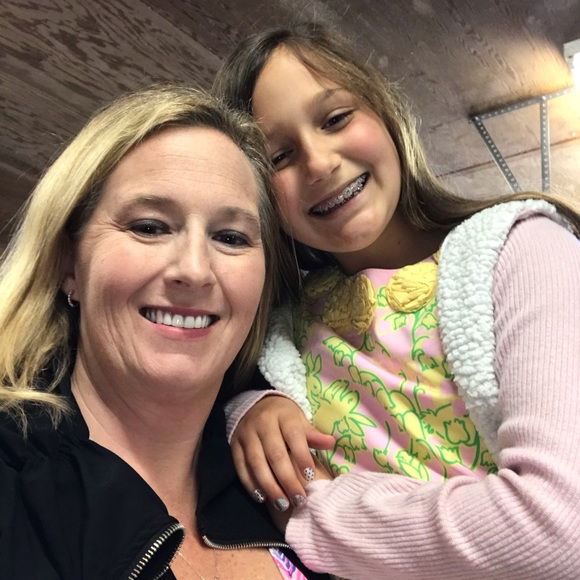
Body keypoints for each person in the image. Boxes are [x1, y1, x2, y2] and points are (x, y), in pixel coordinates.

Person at [212, 22, 580, 579]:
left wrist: (312, 514)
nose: (319, 162)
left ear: (386, 113)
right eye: (279, 157)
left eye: (336, 118)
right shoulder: (282, 334)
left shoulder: (523, 250)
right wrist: (249, 411)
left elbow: (558, 531)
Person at [0, 85, 330, 579]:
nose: (195, 270)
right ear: (69, 263)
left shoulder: (294, 480)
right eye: (150, 227)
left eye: (230, 237)